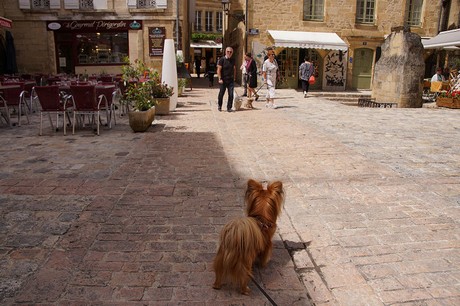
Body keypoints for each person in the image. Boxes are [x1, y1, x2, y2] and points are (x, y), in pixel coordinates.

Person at [217, 47, 236, 112]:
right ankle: (219, 106)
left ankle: (229, 107)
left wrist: (234, 77)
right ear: (225, 52)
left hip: (230, 80)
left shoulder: (233, 60)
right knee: (221, 94)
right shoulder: (222, 59)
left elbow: (234, 68)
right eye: (228, 51)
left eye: (231, 52)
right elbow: (219, 69)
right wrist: (220, 78)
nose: (229, 53)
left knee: (231, 94)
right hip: (223, 80)